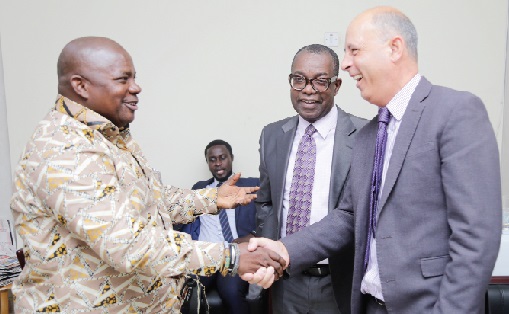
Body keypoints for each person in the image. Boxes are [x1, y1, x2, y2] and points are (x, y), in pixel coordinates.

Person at [245, 6, 502, 314]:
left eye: (354, 51)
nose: (348, 65)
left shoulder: (455, 112)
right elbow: (348, 217)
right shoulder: (369, 134)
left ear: (394, 48)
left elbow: (476, 237)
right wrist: (285, 249)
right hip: (367, 304)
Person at [10, 36, 284, 313]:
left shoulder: (109, 137)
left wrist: (211, 198)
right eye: (122, 79)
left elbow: (148, 199)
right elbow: (127, 243)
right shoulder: (64, 149)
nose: (136, 87)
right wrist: (230, 256)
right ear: (80, 85)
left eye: (134, 78)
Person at [255, 44, 366, 314]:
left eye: (320, 81)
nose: (308, 89)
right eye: (299, 79)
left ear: (337, 85)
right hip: (286, 281)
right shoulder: (272, 135)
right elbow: (266, 202)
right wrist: (271, 256)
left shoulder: (365, 135)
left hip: (339, 280)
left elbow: (360, 214)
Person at [181, 139, 259, 313]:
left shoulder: (250, 186)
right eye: (212, 159)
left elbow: (271, 215)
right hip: (203, 254)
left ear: (231, 158)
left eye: (222, 157)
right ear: (208, 163)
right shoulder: (200, 189)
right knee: (188, 292)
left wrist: (253, 234)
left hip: (232, 254)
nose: (218, 163)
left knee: (231, 293)